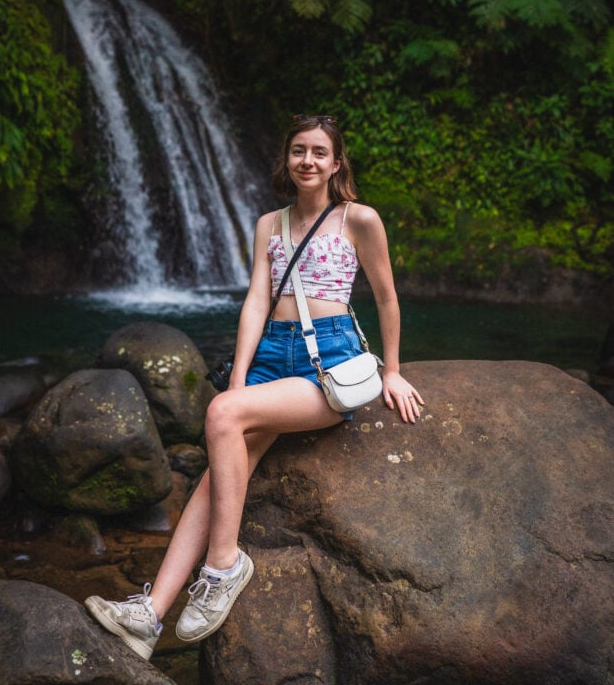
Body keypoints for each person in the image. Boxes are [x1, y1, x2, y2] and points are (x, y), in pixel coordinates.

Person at [84, 113, 424, 660]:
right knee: (218, 470)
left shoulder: (359, 219)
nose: (307, 161)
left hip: (329, 359)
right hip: (272, 354)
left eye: (319, 152)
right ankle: (149, 617)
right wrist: (241, 374)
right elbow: (257, 301)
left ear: (337, 163)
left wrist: (393, 370)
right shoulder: (271, 222)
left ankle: (224, 565)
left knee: (221, 418)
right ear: (286, 160)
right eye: (297, 151)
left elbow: (387, 297)